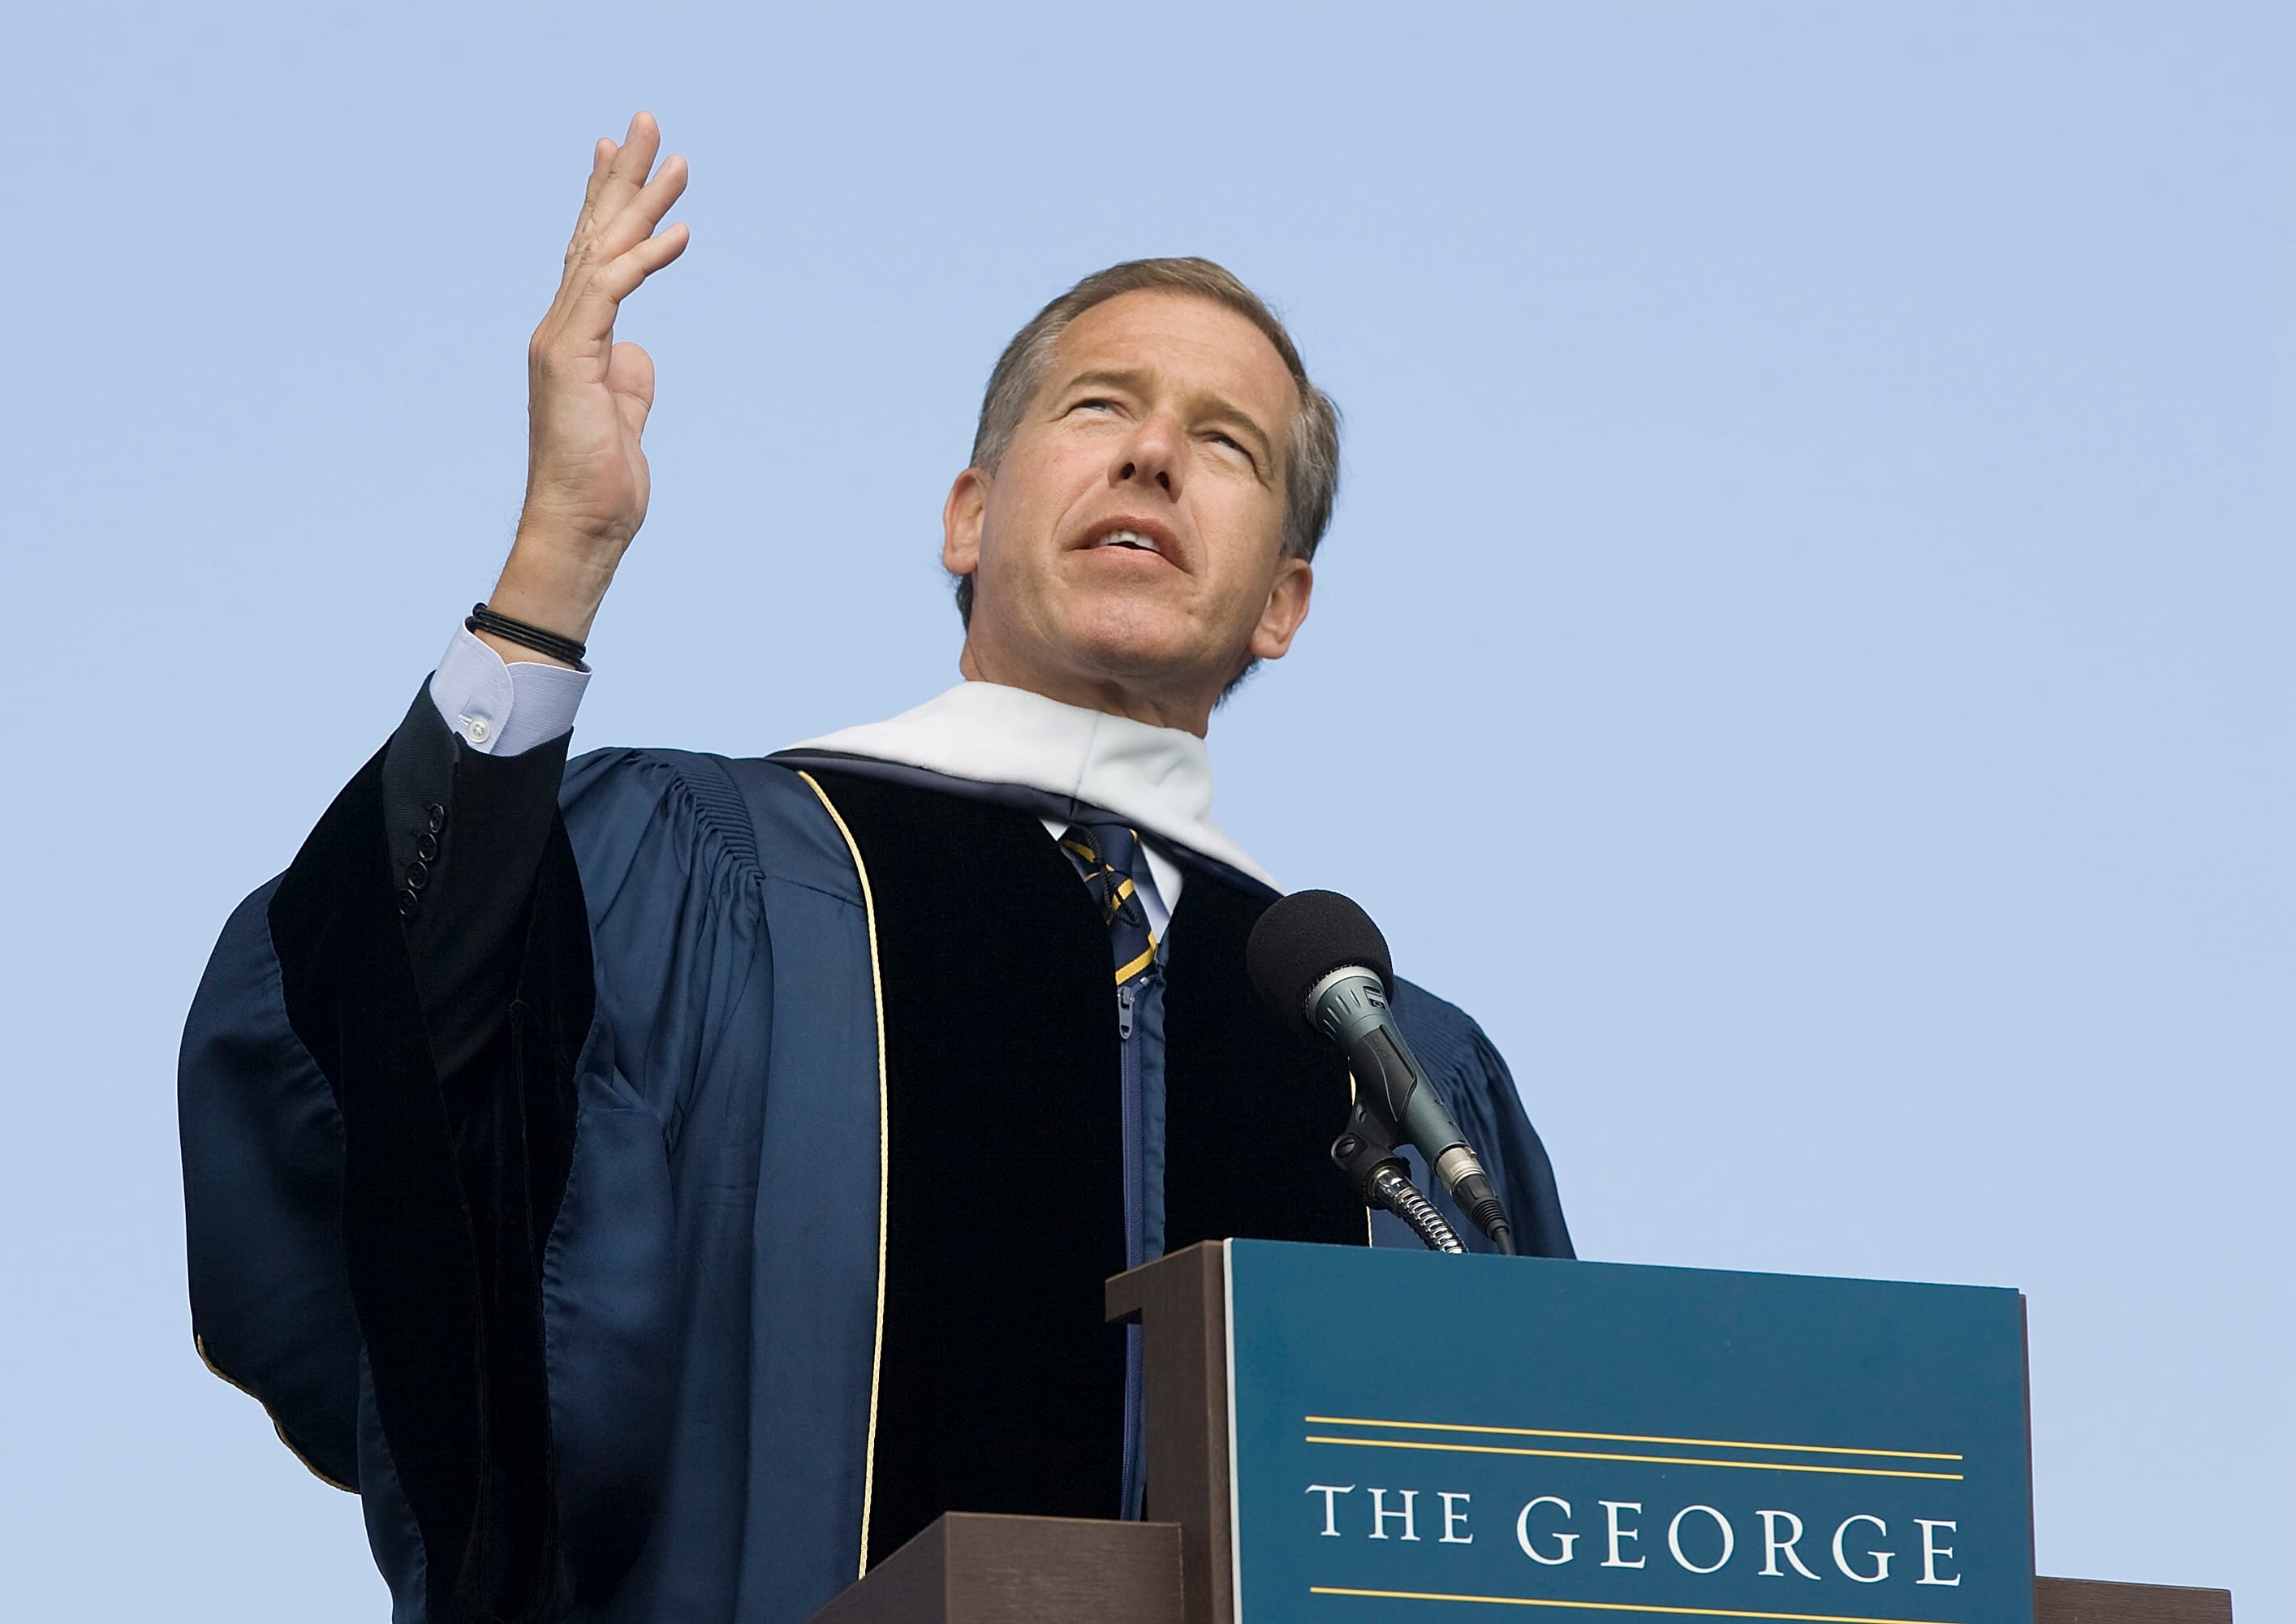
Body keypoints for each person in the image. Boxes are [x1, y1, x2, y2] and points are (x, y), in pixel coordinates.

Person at [179, 111, 1572, 1624]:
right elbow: (389, 1074)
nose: (1155, 454)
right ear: (969, 517)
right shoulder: (693, 877)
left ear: (1283, 603)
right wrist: (556, 560)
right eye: (1101, 405)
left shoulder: (1394, 1072)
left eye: (1226, 443)